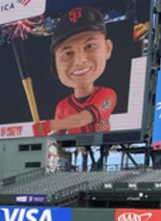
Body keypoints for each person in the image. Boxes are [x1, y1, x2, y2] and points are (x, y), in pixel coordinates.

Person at [33, 6, 116, 136]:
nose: (79, 60)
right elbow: (58, 136)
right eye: (68, 53)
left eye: (90, 46)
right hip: (72, 152)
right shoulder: (62, 106)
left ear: (108, 48)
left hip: (101, 150)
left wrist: (47, 126)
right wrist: (43, 140)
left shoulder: (107, 95)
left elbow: (83, 119)